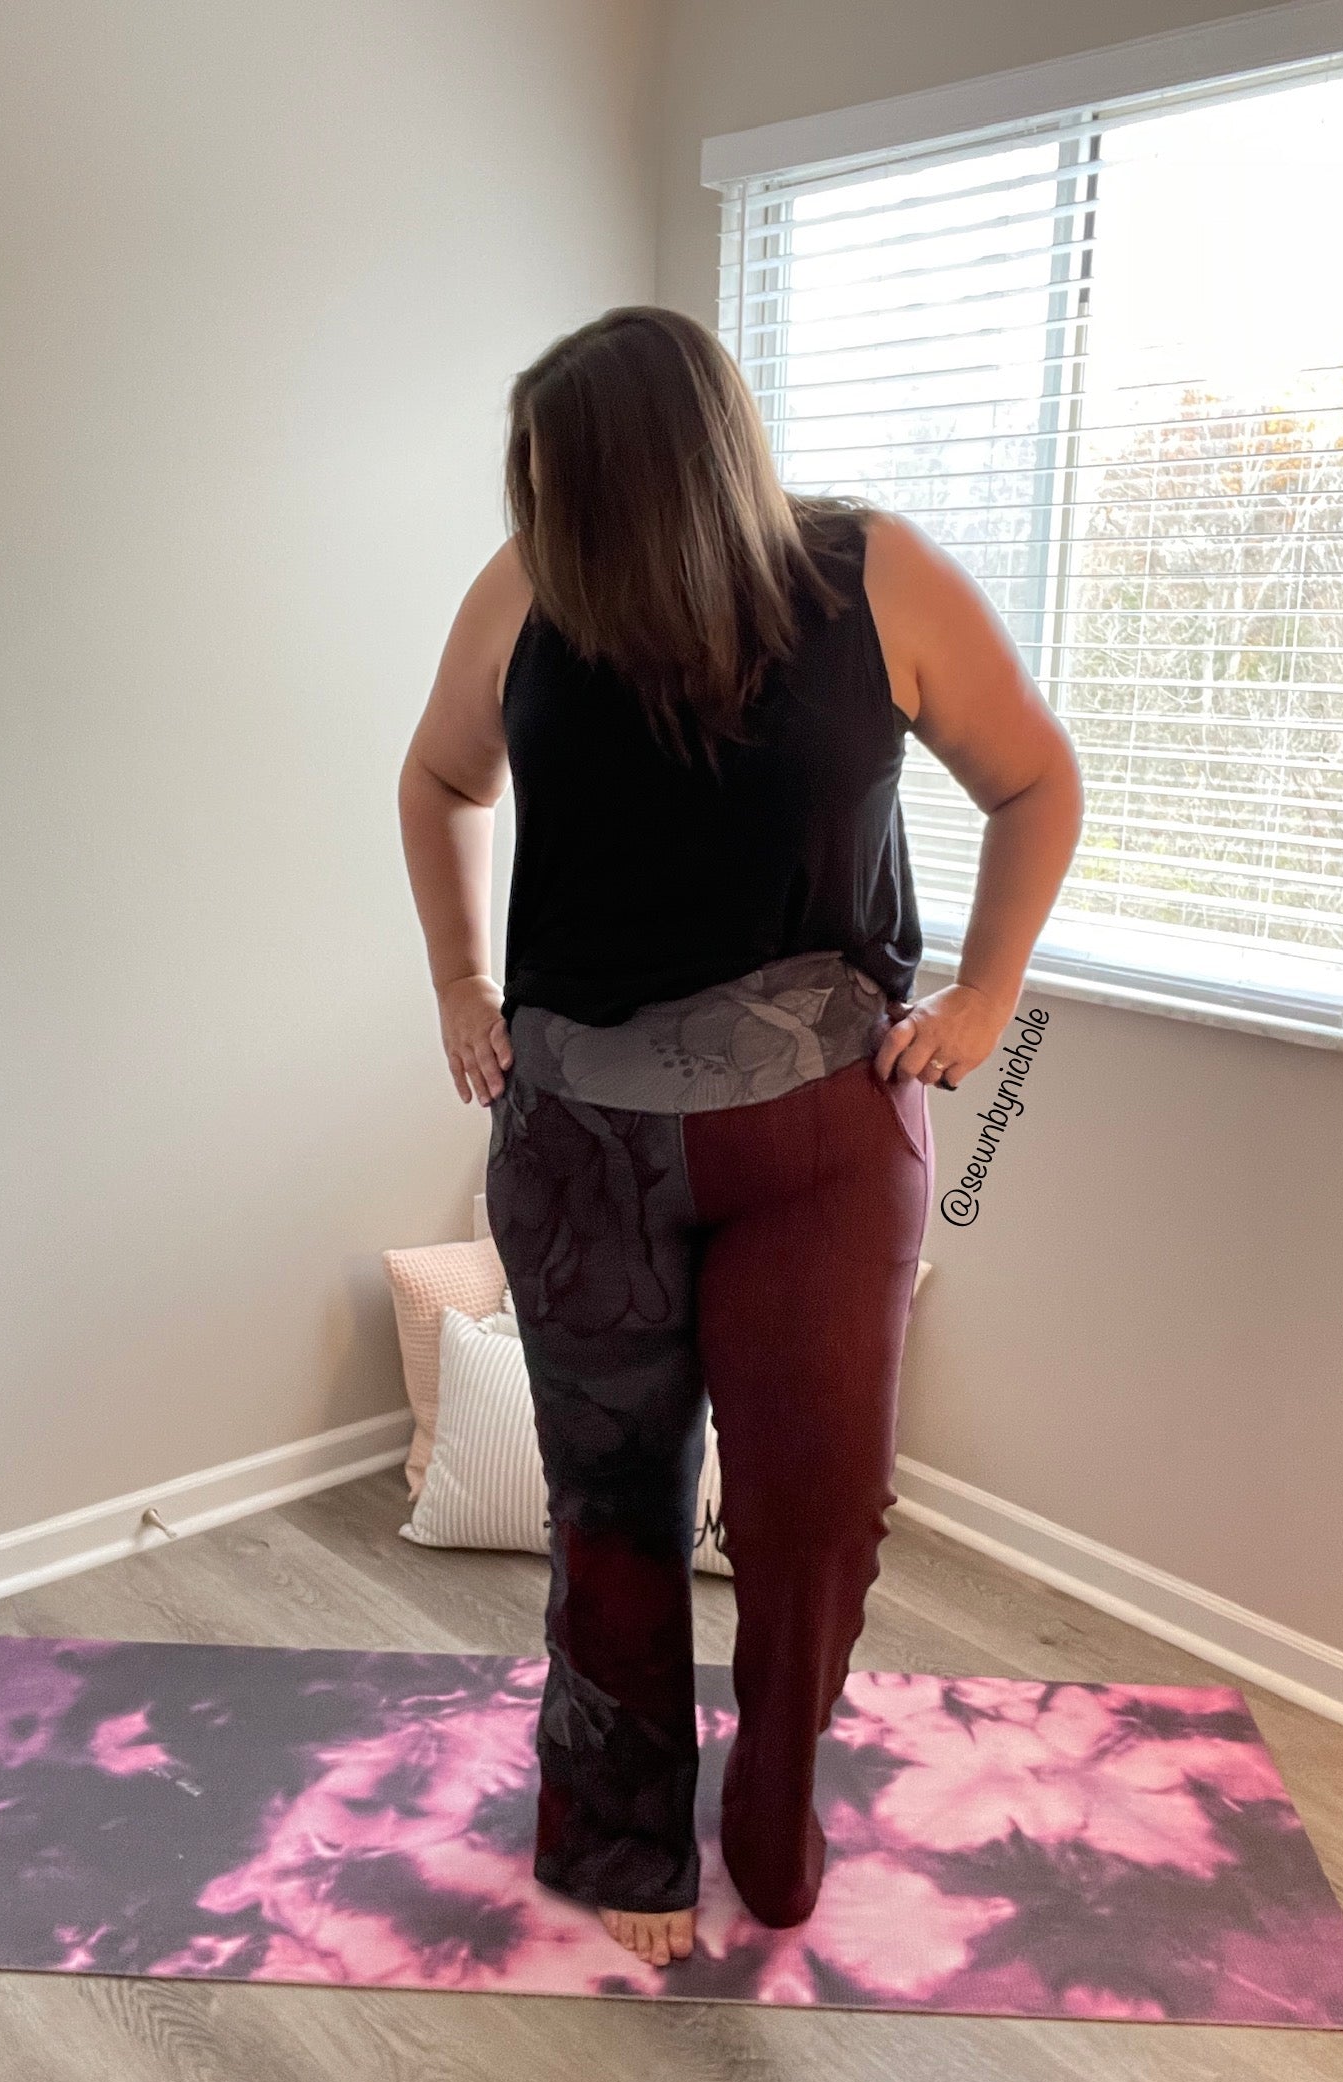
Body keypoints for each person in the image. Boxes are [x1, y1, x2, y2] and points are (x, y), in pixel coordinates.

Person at [397, 305, 1083, 1971]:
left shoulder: (873, 577)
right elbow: (438, 780)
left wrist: (990, 997)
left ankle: (774, 1802)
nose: (539, 506)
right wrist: (459, 981)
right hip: (579, 1142)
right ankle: (626, 1836)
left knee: (816, 1512)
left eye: (562, 474)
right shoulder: (528, 592)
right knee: (612, 1507)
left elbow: (1037, 780)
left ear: (673, 463)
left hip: (822, 1140)